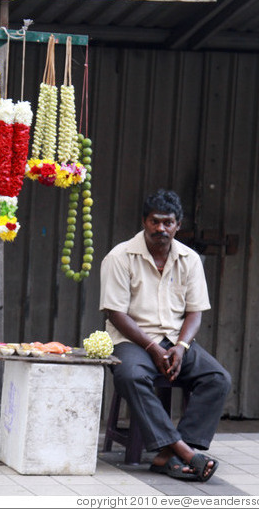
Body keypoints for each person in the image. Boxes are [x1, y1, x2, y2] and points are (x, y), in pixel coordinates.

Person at [99, 189, 231, 482]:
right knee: (130, 377)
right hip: (131, 340)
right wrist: (151, 347)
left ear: (177, 224)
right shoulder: (120, 257)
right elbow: (115, 313)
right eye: (155, 221)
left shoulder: (190, 259)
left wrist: (181, 347)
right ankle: (185, 452)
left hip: (176, 340)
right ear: (144, 221)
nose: (161, 228)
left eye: (168, 222)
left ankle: (167, 454)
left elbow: (195, 312)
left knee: (218, 378)